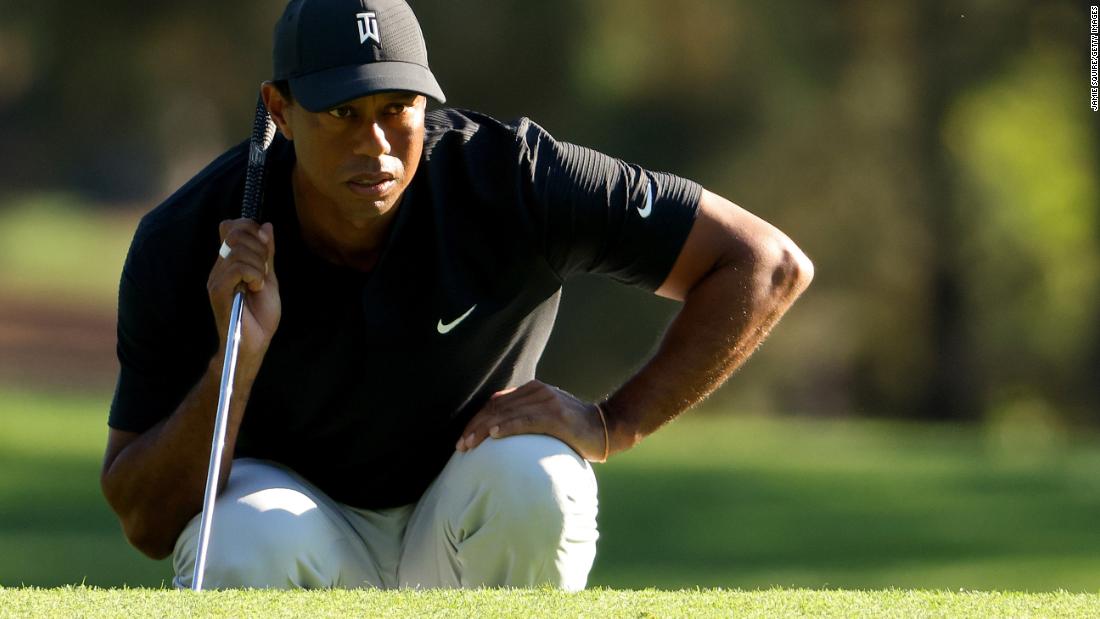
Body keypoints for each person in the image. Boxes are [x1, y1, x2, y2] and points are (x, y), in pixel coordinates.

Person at [100, 0, 813, 591]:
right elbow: (145, 521)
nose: (376, 144)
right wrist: (238, 354)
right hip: (299, 534)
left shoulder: (511, 180)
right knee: (237, 540)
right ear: (279, 110)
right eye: (342, 114)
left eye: (397, 108)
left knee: (537, 479)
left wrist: (611, 422)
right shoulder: (192, 236)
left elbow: (764, 262)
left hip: (465, 517)